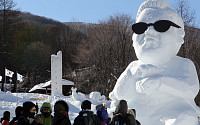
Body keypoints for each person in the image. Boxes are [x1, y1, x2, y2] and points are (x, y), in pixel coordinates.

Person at [109, 0, 200, 124]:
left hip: (172, 112)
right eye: (141, 27)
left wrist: (160, 83)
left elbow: (190, 89)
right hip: (138, 113)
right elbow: (120, 95)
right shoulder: (134, 67)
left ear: (179, 35)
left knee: (185, 118)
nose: (149, 32)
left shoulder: (183, 64)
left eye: (161, 26)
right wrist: (131, 76)